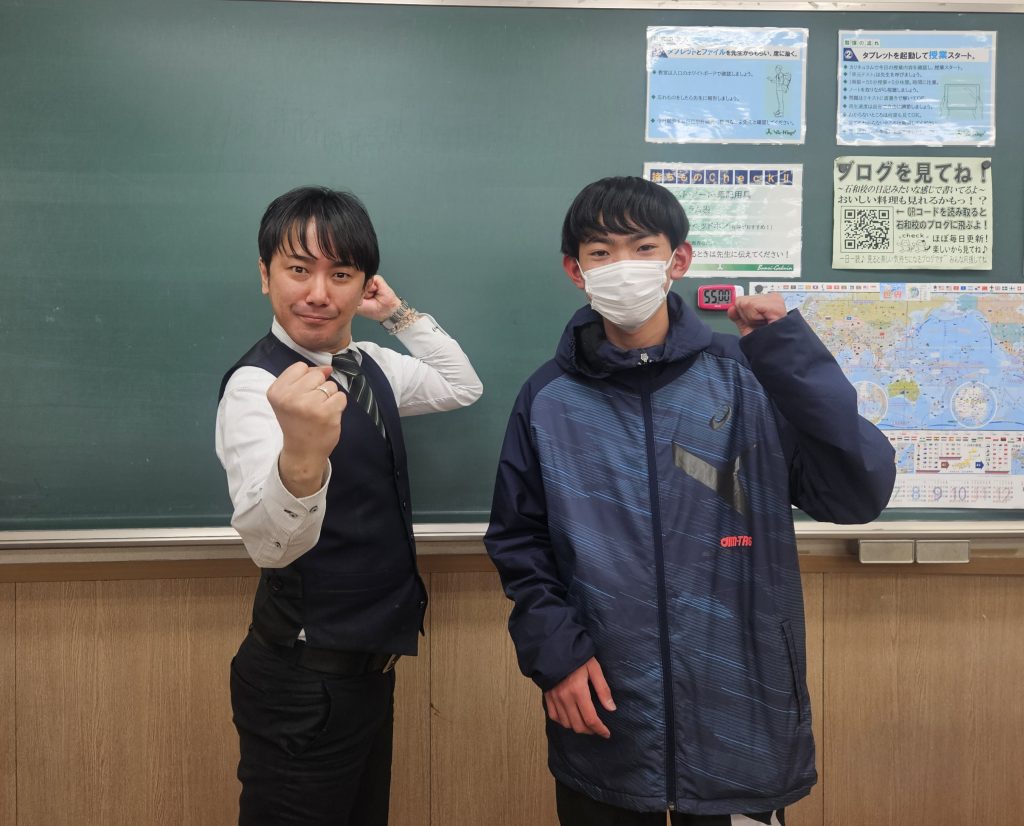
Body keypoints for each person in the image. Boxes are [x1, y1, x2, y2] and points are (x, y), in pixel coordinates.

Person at [484, 176, 895, 825]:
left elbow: (858, 491)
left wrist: (788, 353)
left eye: (642, 247)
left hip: (744, 717)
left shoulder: (750, 375)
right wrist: (555, 655)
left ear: (678, 260)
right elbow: (519, 541)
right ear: (575, 270)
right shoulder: (550, 398)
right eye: (601, 252)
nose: (623, 266)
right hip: (608, 720)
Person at [215, 185, 482, 826]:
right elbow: (269, 546)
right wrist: (303, 457)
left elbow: (461, 386)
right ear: (265, 275)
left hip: (369, 670)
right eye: (298, 270)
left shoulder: (370, 364)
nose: (318, 293)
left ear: (364, 285)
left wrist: (399, 315)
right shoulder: (256, 389)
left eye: (340, 274)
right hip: (302, 679)